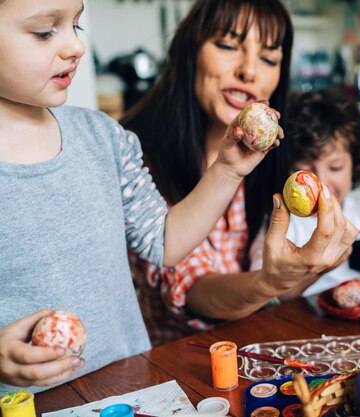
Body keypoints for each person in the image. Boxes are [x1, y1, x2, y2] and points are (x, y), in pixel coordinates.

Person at [0, 0, 296, 394]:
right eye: (44, 32)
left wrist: (227, 169)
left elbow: (165, 242)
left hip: (131, 388)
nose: (75, 47)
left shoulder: (104, 138)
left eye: (76, 26)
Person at [122, 0, 358, 345]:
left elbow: (271, 293)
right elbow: (194, 290)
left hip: (253, 350)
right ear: (190, 52)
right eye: (228, 45)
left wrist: (306, 270)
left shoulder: (269, 157)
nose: (249, 71)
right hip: (177, 365)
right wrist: (268, 282)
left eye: (269, 58)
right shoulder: (136, 157)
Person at [251, 90, 360, 298]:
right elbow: (262, 292)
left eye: (335, 167)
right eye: (304, 171)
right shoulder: (280, 226)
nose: (321, 183)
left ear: (355, 165)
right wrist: (320, 269)